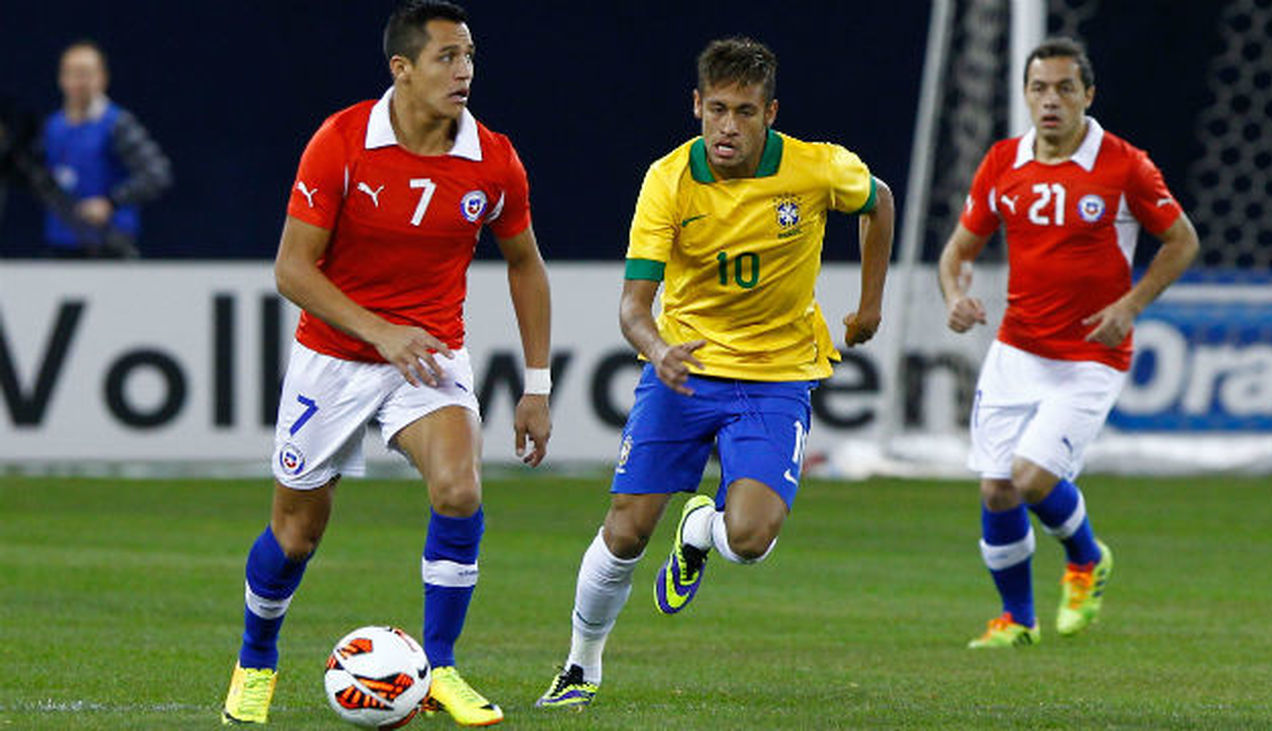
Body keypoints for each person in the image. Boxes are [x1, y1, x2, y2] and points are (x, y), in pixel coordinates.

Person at [536, 36, 893, 710]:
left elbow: (880, 201)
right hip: (685, 372)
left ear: (770, 113)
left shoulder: (818, 169)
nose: (729, 126)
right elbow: (633, 305)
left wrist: (870, 301)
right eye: (718, 109)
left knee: (752, 540)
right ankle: (581, 665)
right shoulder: (667, 180)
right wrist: (657, 345)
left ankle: (701, 528)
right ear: (697, 105)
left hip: (777, 376)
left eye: (747, 112)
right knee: (626, 529)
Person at [221, 2, 552, 725]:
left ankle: (440, 667)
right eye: (445, 57)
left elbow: (525, 265)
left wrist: (536, 385)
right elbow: (292, 269)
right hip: (332, 358)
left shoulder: (493, 158)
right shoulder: (341, 142)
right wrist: (381, 332)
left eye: (469, 56)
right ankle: (255, 658)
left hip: (429, 356)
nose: (463, 70)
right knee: (294, 535)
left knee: (460, 490)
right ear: (401, 69)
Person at [937, 37, 1198, 648]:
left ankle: (1086, 558)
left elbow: (1182, 240)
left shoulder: (1124, 165)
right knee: (996, 486)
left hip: (1090, 355)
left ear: (1088, 95)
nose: (1049, 101)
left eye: (1063, 88)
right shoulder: (1003, 161)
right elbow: (958, 252)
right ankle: (1016, 619)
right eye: (1038, 88)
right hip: (1016, 349)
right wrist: (955, 296)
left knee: (1030, 478)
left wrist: (1130, 306)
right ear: (1025, 95)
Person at [41, 40, 171, 258]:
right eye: (72, 73)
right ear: (61, 79)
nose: (79, 82)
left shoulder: (117, 124)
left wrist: (111, 202)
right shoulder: (53, 126)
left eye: (86, 74)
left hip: (109, 245)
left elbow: (157, 173)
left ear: (102, 78)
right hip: (62, 245)